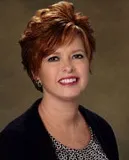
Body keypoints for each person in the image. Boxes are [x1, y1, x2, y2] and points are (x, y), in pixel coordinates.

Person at [0, 1, 119, 160]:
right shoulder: (13, 142)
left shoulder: (102, 129)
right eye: (54, 58)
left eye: (77, 56)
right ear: (35, 71)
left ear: (88, 62)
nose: (68, 67)